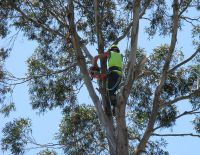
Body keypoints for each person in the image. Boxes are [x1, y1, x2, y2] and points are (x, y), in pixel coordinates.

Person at [92, 44, 123, 115]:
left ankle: (115, 107)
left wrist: (94, 65)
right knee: (110, 91)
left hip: (113, 74)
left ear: (111, 50)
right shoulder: (120, 55)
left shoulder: (110, 53)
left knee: (109, 91)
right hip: (117, 75)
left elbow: (96, 57)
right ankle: (113, 107)